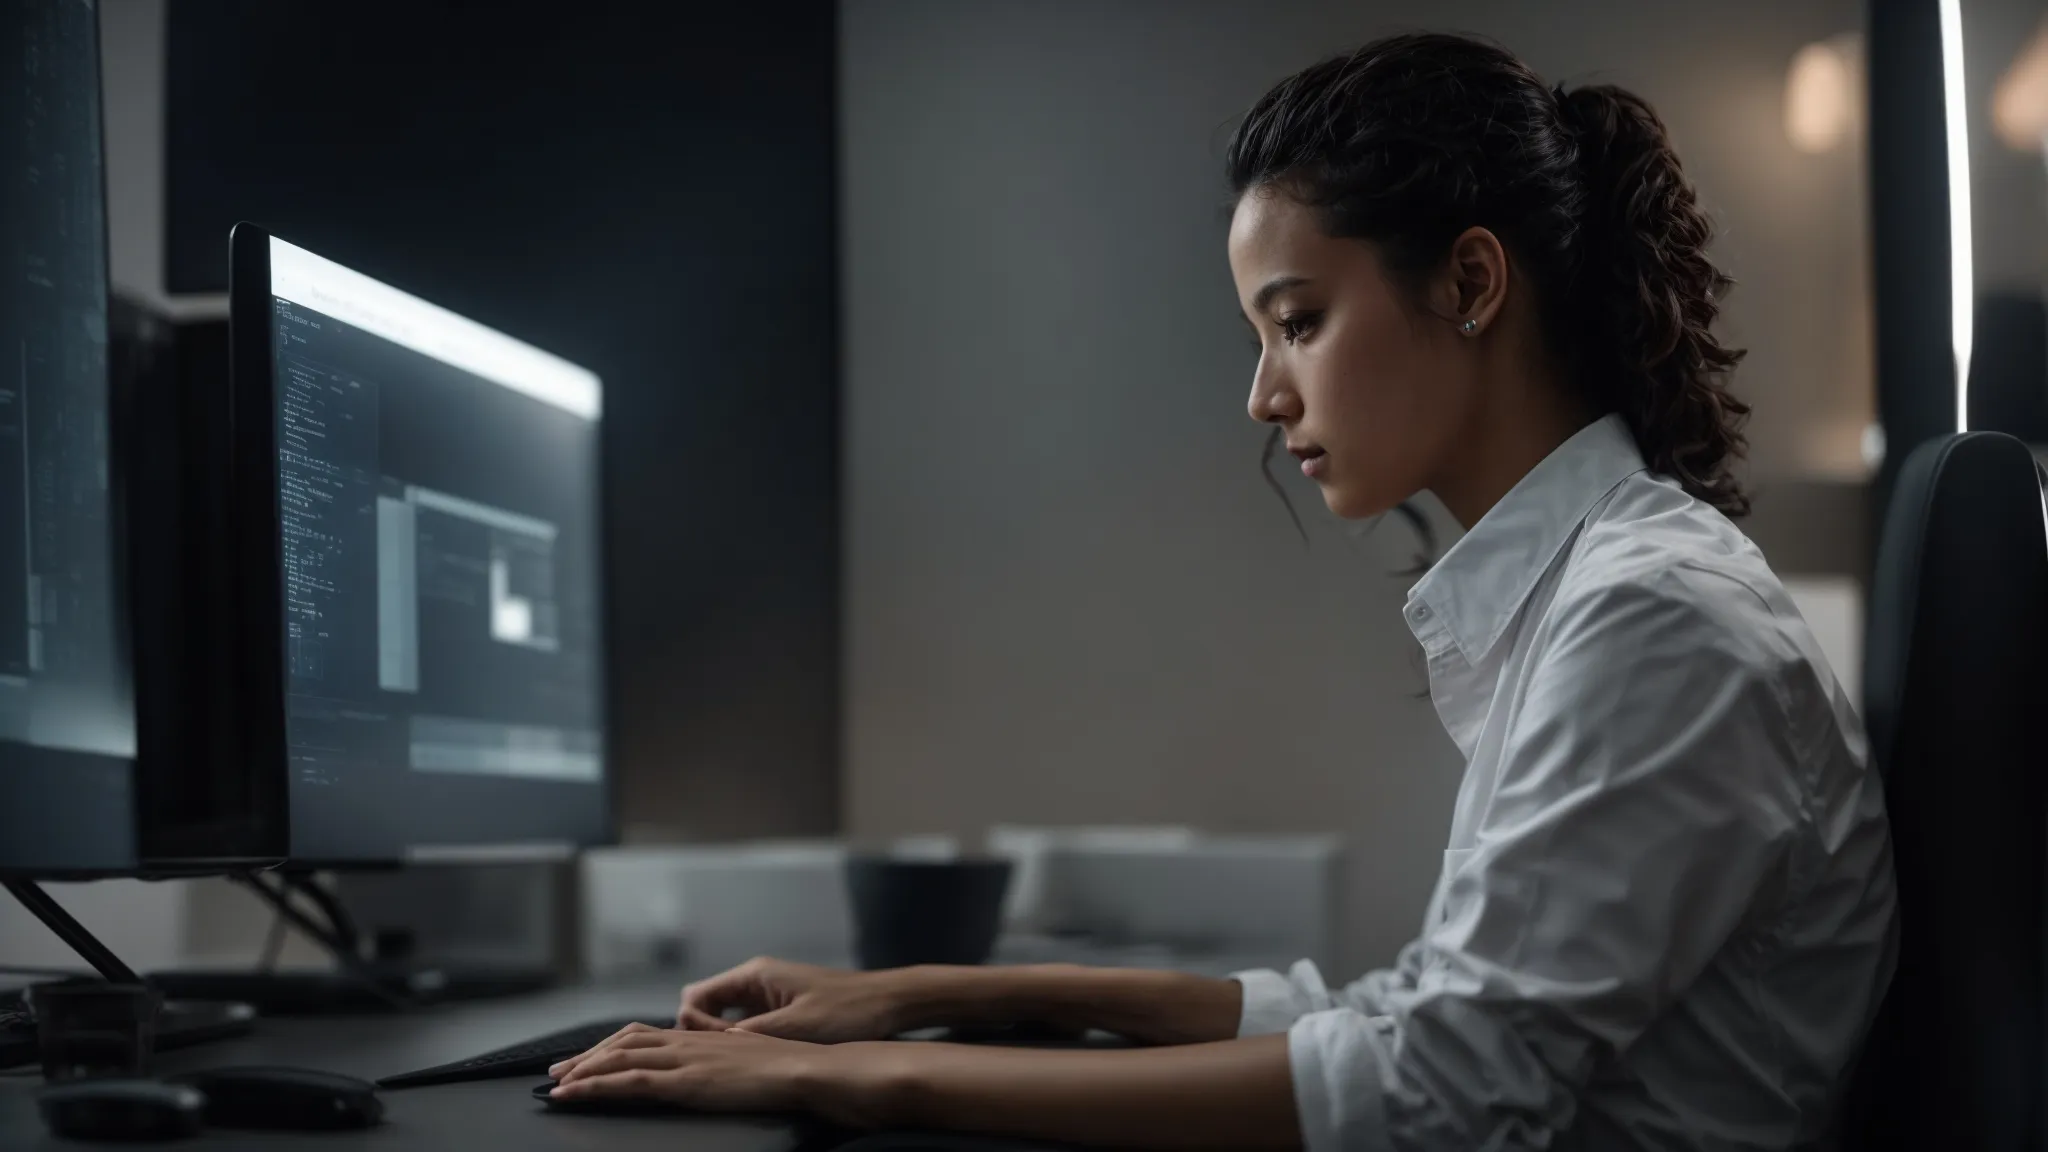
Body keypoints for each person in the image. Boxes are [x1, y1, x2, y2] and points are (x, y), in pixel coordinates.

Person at [545, 32, 1897, 1151]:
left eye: (1298, 321)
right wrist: (910, 998)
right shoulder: (1593, 592)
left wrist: (847, 1079)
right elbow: (1407, 1013)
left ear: (1472, 282)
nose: (1263, 396)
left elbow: (1435, 1090)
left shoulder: (1652, 616)